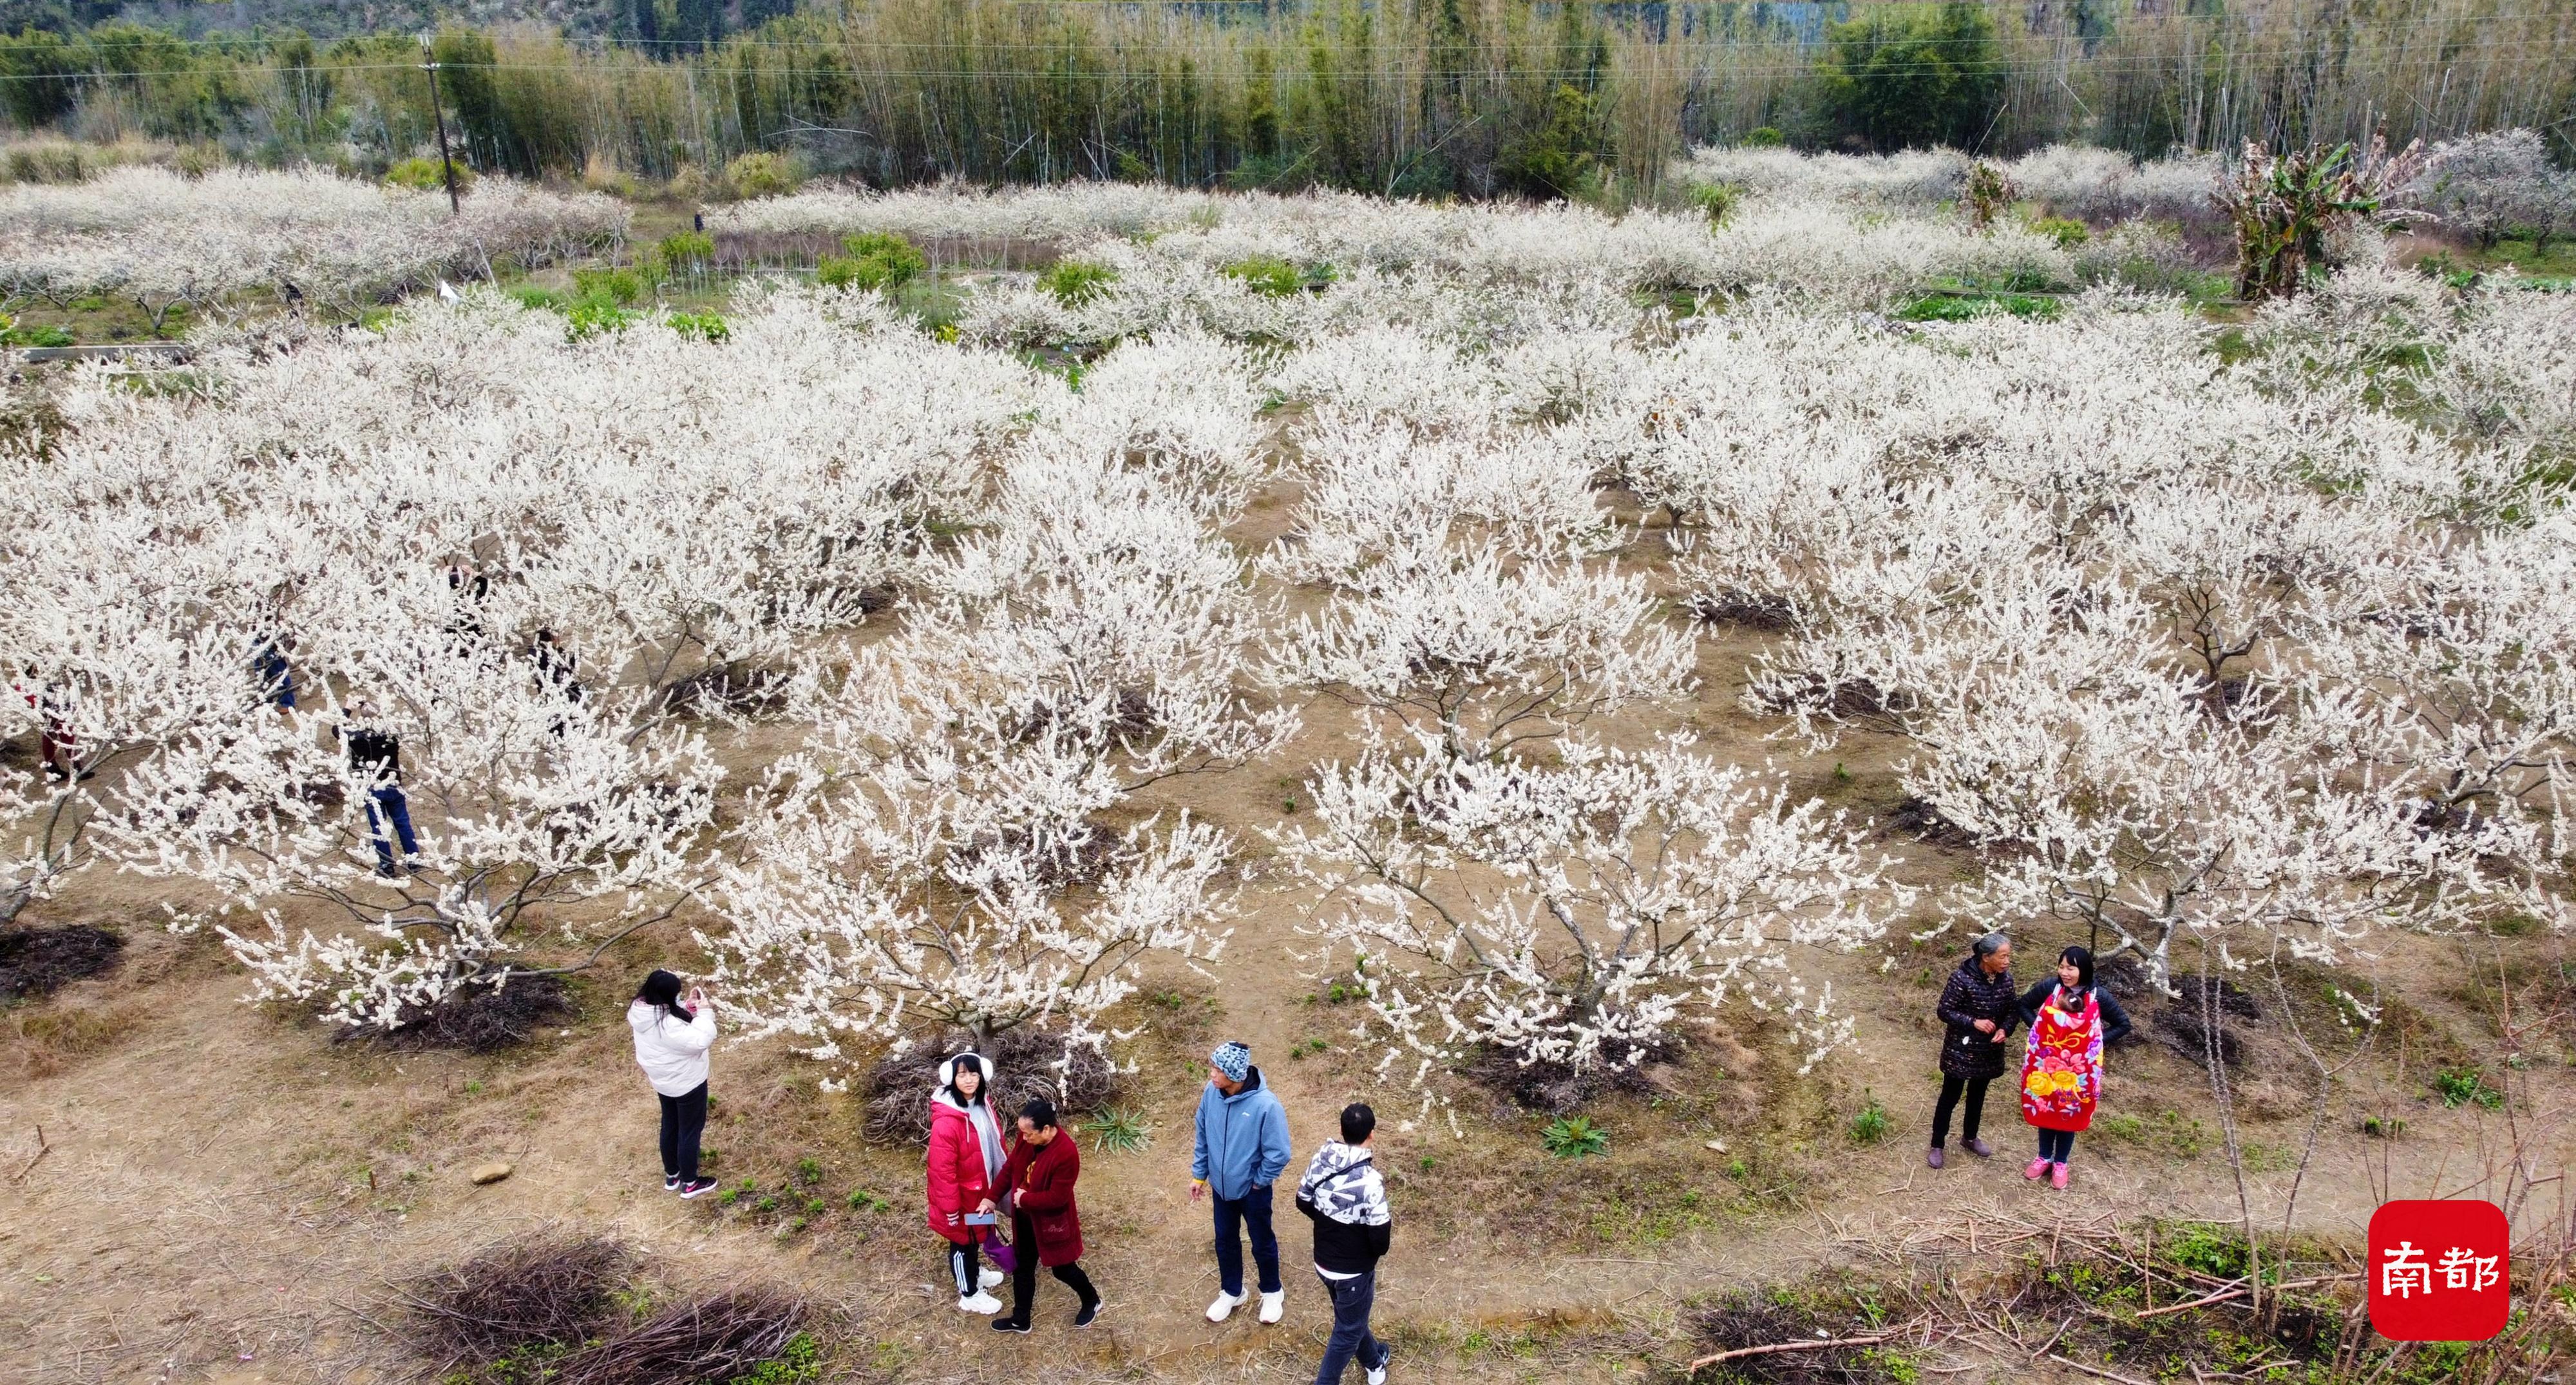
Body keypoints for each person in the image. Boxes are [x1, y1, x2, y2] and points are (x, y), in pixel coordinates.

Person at [1191, 1040, 1293, 1324]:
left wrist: (1258, 1182)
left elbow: (1280, 1153)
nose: (1212, 1074)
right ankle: (1233, 1291)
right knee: (1225, 1241)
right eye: (1212, 1066)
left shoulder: (1266, 1106)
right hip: (1221, 1189)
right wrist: (1200, 1175)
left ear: (1235, 1076)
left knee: (1261, 1241)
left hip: (1253, 1191)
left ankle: (1272, 1291)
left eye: (1218, 1070)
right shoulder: (1211, 1094)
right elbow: (1203, 1134)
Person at [2018, 945, 2132, 1189]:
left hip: (2077, 1070)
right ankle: (2044, 1157)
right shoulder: (2052, 988)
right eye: (2061, 967)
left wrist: (2094, 1044)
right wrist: (2038, 1034)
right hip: (2047, 1064)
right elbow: (2024, 1006)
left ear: (2084, 969)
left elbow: (2123, 1024)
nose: (2064, 972)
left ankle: (2061, 1162)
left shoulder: (2098, 996)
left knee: (2069, 1109)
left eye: (2071, 968)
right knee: (2046, 1105)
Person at [1296, 1103, 1393, 1385]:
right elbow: (1380, 1240)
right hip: (1353, 1271)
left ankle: (1375, 1363)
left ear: (1341, 1130)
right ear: (1371, 1134)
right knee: (1347, 1331)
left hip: (1322, 1262)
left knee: (1351, 1318)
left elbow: (1302, 1199)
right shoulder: (1370, 1181)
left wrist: (1329, 1222)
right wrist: (1360, 1246)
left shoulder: (1322, 1157)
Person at [993, 1096, 1101, 1333]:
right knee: (1022, 1268)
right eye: (1021, 1132)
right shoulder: (1027, 1141)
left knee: (1062, 1269)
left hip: (1051, 1222)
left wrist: (1024, 1199)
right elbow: (1010, 1168)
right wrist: (990, 1198)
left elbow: (1057, 1197)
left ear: (1048, 1129)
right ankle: (1021, 1320)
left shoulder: (1066, 1153)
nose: (1023, 1138)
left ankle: (1092, 1301)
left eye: (1029, 1134)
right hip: (1025, 1220)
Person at [1927, 933, 2019, 1169]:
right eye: (2003, 956)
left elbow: (2012, 1011)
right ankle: (1938, 1144)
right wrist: (1973, 1022)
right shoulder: (1961, 978)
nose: (2007, 961)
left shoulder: (2006, 979)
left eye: (2008, 956)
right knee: (1951, 1095)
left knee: (1978, 1095)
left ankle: (1970, 1137)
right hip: (1961, 1048)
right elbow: (1944, 1011)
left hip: (1988, 1049)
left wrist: (2005, 1030)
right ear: (1986, 957)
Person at [927, 1053, 1009, 1315]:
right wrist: (950, 1207)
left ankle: (975, 1272)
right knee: (962, 1242)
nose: (969, 1080)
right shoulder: (948, 1121)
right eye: (962, 1074)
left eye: (973, 1074)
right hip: (961, 1199)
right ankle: (969, 1293)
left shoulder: (982, 1104)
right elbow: (942, 1171)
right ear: (951, 1077)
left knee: (977, 1234)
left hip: (981, 1191)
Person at [627, 970, 717, 1199]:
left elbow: (670, 1018)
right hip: (686, 1083)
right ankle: (690, 1183)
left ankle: (673, 1175)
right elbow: (700, 1040)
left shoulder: (642, 1010)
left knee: (670, 1125)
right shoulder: (667, 1025)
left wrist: (688, 1006)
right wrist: (705, 1013)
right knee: (690, 1130)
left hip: (663, 1080)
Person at [342, 702, 418, 877]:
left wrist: (347, 709)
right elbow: (412, 723)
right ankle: (413, 860)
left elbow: (336, 729)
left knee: (378, 827)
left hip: (371, 787)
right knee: (403, 823)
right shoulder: (391, 734)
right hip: (394, 785)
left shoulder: (356, 737)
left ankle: (387, 865)